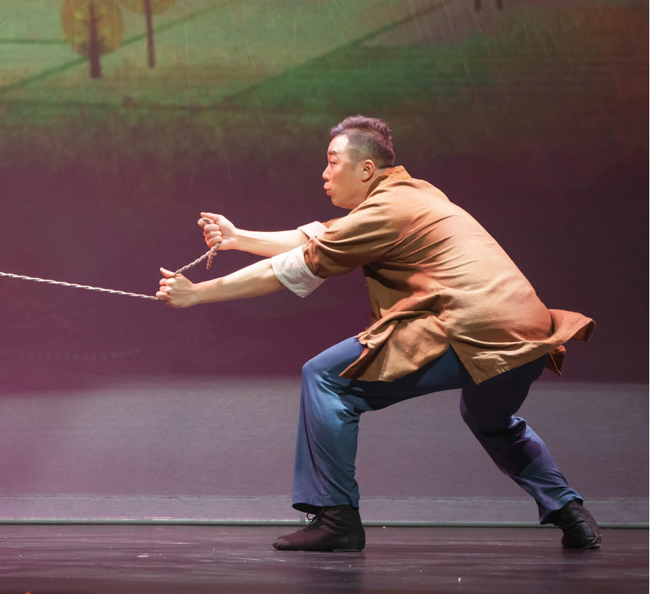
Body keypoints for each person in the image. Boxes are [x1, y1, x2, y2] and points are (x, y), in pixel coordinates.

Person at [156, 115, 599, 552]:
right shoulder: (413, 193)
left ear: (366, 169)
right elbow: (322, 237)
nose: (324, 173)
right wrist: (238, 237)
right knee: (490, 420)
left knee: (325, 378)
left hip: (468, 327)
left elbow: (290, 268)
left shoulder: (385, 210)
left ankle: (337, 518)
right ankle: (570, 512)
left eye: (333, 162)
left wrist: (197, 294)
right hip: (529, 334)